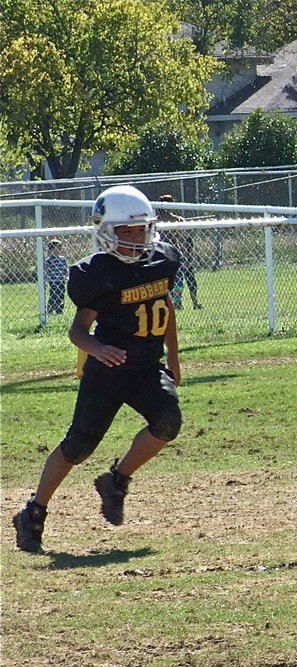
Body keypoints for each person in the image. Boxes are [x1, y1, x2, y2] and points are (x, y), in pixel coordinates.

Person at [11, 185, 183, 554]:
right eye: (127, 232)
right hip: (108, 371)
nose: (137, 239)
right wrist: (97, 348)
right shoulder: (96, 273)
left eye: (141, 230)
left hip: (145, 368)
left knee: (168, 422)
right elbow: (77, 330)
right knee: (78, 446)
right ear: (107, 232)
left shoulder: (162, 259)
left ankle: (116, 480)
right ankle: (32, 512)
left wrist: (173, 359)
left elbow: (166, 308)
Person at [157, 194, 201, 309]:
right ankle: (177, 302)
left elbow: (182, 240)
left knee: (171, 279)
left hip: (160, 253)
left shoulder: (157, 221)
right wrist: (186, 258)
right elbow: (182, 242)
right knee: (177, 280)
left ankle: (170, 302)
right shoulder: (176, 220)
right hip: (173, 253)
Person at [44, 239, 69, 315]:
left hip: (61, 280)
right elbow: (46, 270)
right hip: (53, 281)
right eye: (56, 248)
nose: (58, 250)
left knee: (61, 295)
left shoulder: (62, 259)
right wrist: (46, 279)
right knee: (54, 295)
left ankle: (59, 310)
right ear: (51, 250)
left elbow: (65, 269)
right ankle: (50, 308)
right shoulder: (49, 260)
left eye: (59, 249)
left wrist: (67, 276)